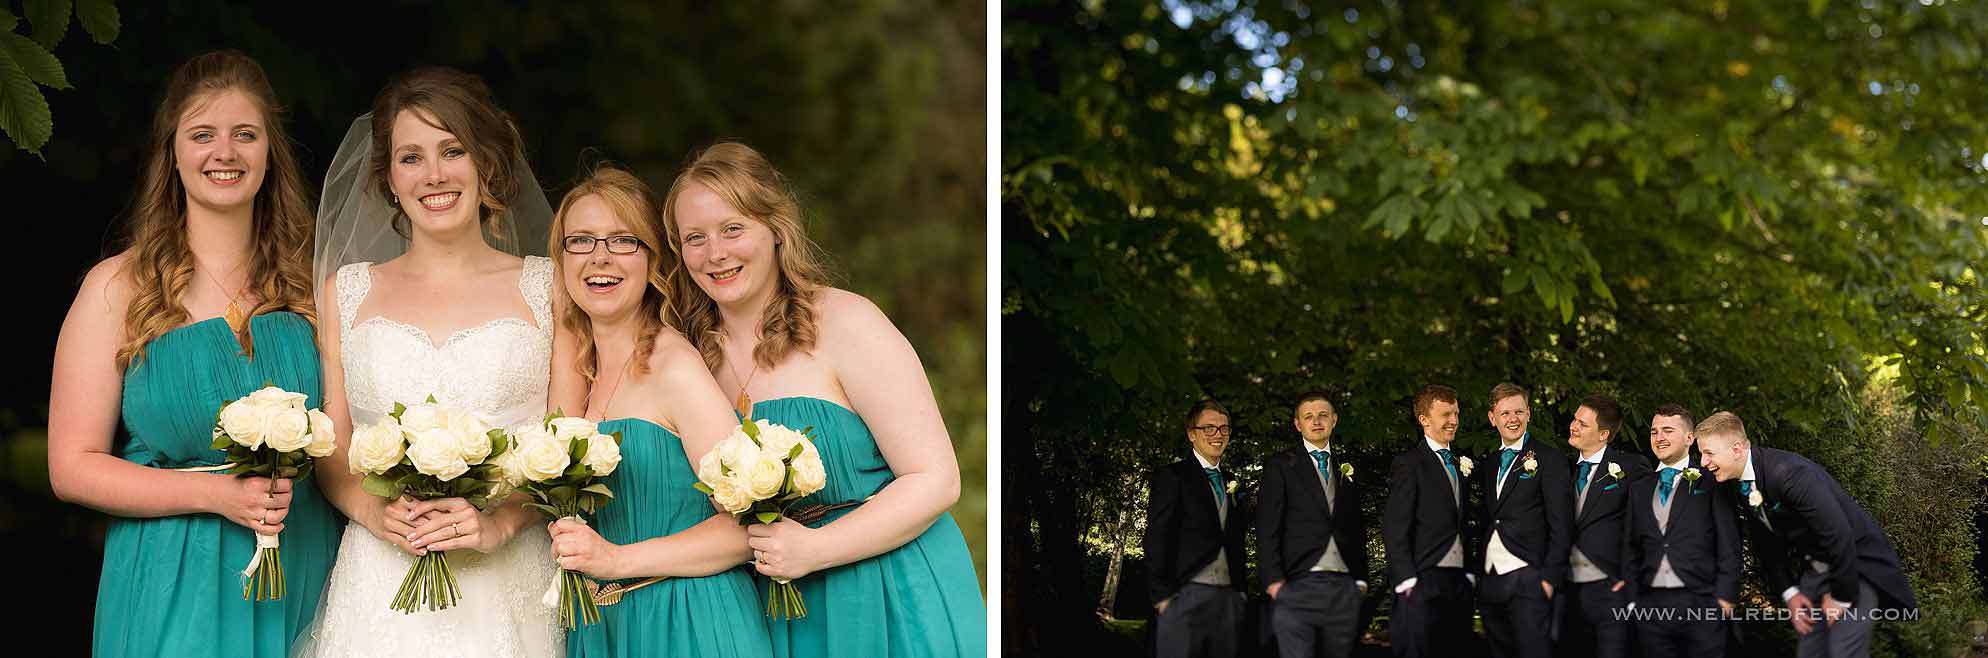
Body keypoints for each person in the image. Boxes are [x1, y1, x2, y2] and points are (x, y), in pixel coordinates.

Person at [48, 50, 342, 657]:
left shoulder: (314, 285)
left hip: (306, 563)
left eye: (245, 135)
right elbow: (71, 465)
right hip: (174, 576)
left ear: (269, 152)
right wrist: (213, 494)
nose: (225, 153)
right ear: (172, 153)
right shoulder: (118, 287)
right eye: (202, 135)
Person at [662, 142, 985, 657]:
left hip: (886, 590)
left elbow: (936, 479)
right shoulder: (687, 358)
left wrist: (818, 548)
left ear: (776, 229)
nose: (714, 253)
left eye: (733, 229)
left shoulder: (845, 322)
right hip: (771, 607)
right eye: (694, 238)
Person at [305, 66, 562, 656]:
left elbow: (570, 437)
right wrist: (373, 512)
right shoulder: (345, 290)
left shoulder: (547, 287)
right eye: (411, 157)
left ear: (487, 164)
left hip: (509, 574)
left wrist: (500, 522)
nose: (435, 175)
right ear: (389, 177)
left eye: (453, 150)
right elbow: (334, 448)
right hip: (381, 572)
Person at [542, 165, 774, 657]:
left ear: (652, 262)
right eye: (580, 241)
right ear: (560, 259)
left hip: (689, 622)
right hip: (608, 625)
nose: (599, 258)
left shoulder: (674, 367)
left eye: (623, 240)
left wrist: (616, 560)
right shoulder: (581, 374)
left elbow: (746, 528)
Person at [1697, 410, 1916, 658]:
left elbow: (1839, 534)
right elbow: (1766, 542)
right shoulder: (1741, 483)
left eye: (1709, 453)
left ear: (1736, 449)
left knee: (1844, 652)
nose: (1704, 462)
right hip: (1815, 573)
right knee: (1810, 653)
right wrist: (1790, 593)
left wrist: (1842, 598)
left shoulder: (1790, 474)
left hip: (1854, 568)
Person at [1256, 391, 1368, 658]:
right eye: (1309, 417)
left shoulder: (1347, 467)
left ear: (1334, 420)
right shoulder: (1281, 466)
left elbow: (1356, 526)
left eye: (1323, 415)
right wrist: (1274, 581)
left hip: (1344, 586)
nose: (1316, 421)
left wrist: (1361, 580)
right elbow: (1267, 526)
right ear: (1298, 424)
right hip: (1297, 582)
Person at [1626, 404, 1738, 658]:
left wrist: (1724, 599)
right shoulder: (1639, 488)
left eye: (1667, 430)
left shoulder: (1712, 482)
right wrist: (1634, 601)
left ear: (1690, 438)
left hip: (1703, 602)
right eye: (1654, 432)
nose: (1659, 437)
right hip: (1650, 607)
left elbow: (1729, 543)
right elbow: (1629, 547)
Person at [1475, 383, 1572, 658]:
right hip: (1491, 579)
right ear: (1493, 418)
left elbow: (1561, 523)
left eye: (1519, 411)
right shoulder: (1490, 462)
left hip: (1530, 576)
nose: (1513, 419)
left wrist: (1549, 579)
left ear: (1529, 413)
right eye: (1505, 413)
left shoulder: (1549, 458)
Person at [1146, 399, 1248, 658]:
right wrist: (1163, 598)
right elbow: (1157, 537)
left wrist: (1240, 594)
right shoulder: (1173, 476)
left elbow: (1235, 540)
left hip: (1228, 599)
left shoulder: (1233, 481)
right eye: (1210, 428)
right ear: (1192, 434)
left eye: (1224, 428)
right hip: (1184, 595)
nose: (1219, 435)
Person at [1382, 384, 1478, 658]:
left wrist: (1468, 573)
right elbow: (1394, 524)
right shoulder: (1410, 463)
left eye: (1456, 413)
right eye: (1446, 414)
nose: (1454, 421)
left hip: (1458, 581)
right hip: (1422, 579)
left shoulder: (1459, 464)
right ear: (1424, 419)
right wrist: (1406, 580)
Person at [1557, 394, 1649, 658]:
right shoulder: (1561, 469)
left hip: (1610, 588)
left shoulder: (1631, 468)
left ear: (1603, 434)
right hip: (1566, 589)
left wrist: (1634, 576)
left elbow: (1647, 524)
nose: (1573, 426)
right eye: (1574, 419)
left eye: (1583, 424)